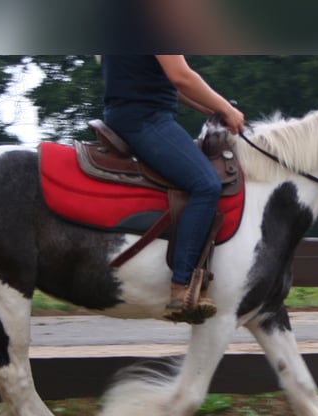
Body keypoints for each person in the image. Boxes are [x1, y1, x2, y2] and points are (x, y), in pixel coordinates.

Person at [101, 55, 245, 323]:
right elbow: (181, 76)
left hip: (128, 114)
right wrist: (227, 109)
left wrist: (216, 109)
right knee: (205, 184)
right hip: (147, 120)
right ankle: (182, 287)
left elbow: (174, 86)